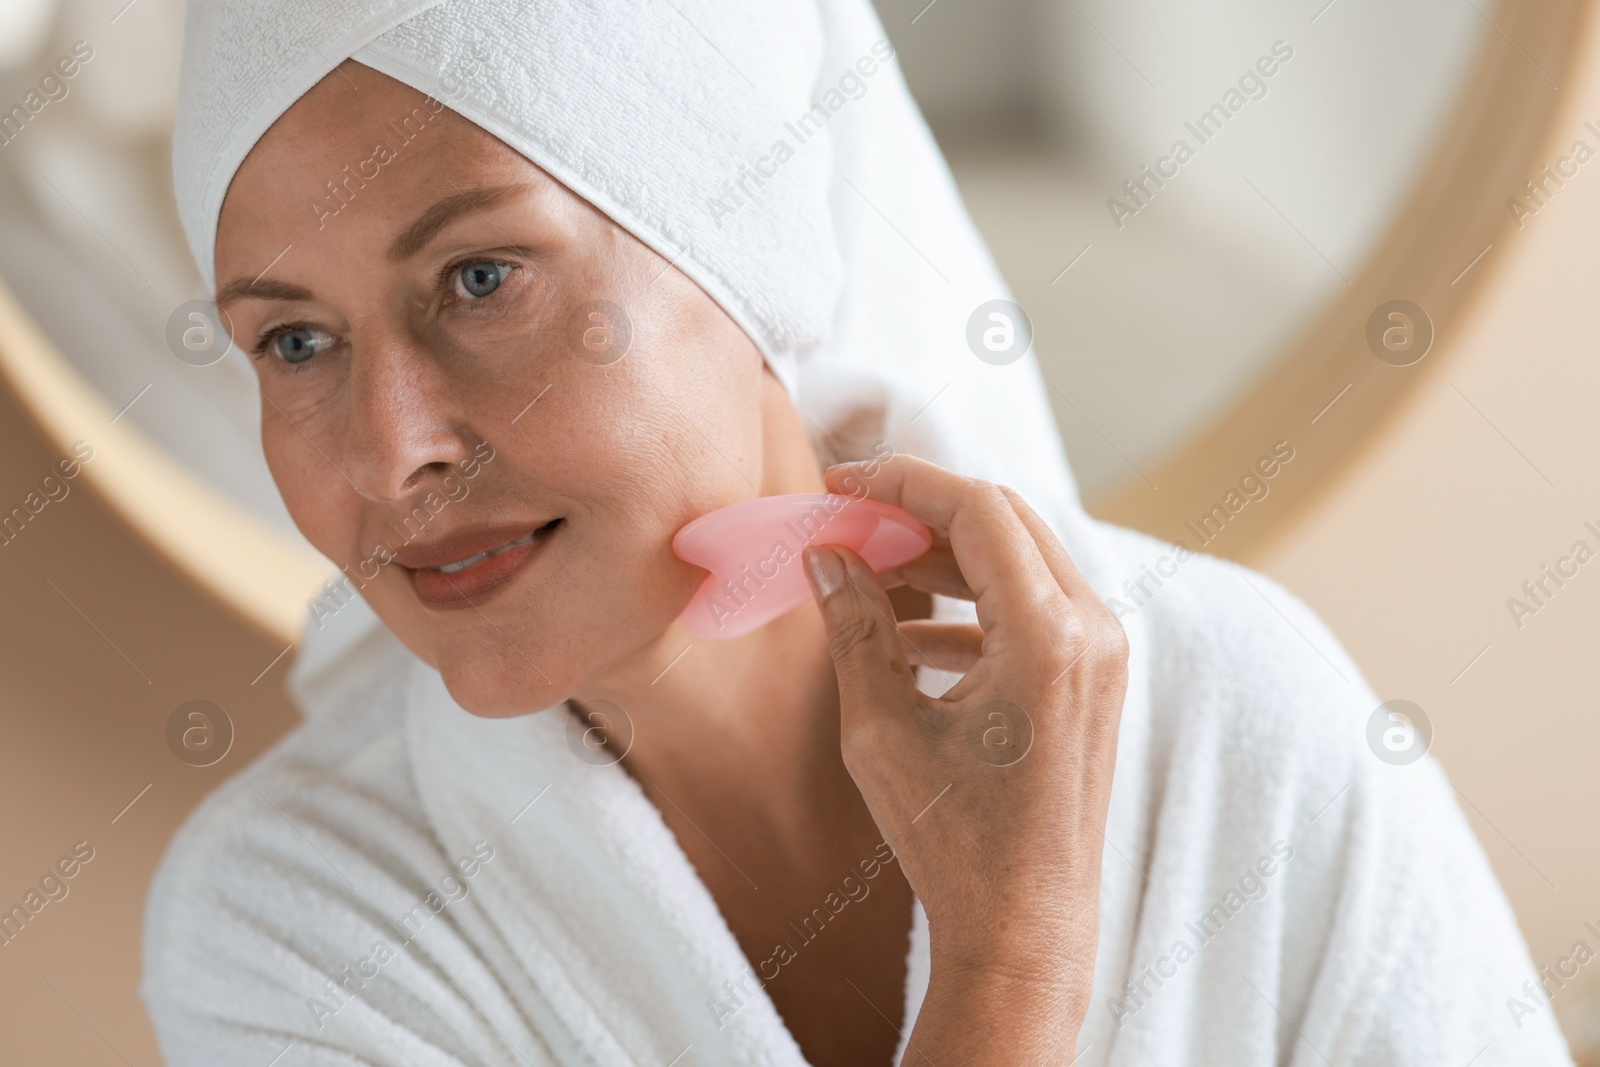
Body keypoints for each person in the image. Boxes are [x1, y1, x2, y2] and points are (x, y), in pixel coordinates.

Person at [142, 1, 1573, 1064]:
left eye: (481, 275)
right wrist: (1008, 968)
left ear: (746, 249)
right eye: (295, 342)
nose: (393, 454)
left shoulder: (1229, 716)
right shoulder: (301, 934)